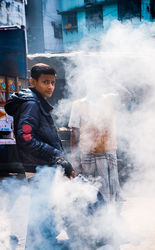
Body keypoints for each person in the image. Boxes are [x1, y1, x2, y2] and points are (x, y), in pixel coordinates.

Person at [5, 63, 75, 248]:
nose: (50, 86)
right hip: (38, 167)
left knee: (43, 211)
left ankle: (42, 244)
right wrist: (58, 157)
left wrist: (60, 161)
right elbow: (26, 138)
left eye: (52, 82)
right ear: (33, 82)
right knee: (41, 213)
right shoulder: (32, 103)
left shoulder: (35, 101)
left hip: (40, 165)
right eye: (45, 82)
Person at [69, 92, 121, 202]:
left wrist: (108, 78)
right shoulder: (78, 104)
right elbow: (74, 132)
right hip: (88, 154)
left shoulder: (111, 99)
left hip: (108, 154)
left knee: (111, 194)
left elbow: (128, 95)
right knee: (90, 193)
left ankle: (110, 215)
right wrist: (75, 159)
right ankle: (93, 217)